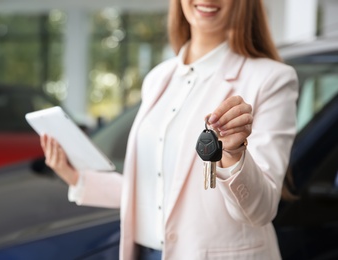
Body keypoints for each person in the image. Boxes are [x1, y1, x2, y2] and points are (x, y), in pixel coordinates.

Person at [40, 0, 299, 259]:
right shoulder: (158, 78)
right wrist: (78, 178)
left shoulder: (272, 79)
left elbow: (261, 210)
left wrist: (233, 155)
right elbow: (159, 192)